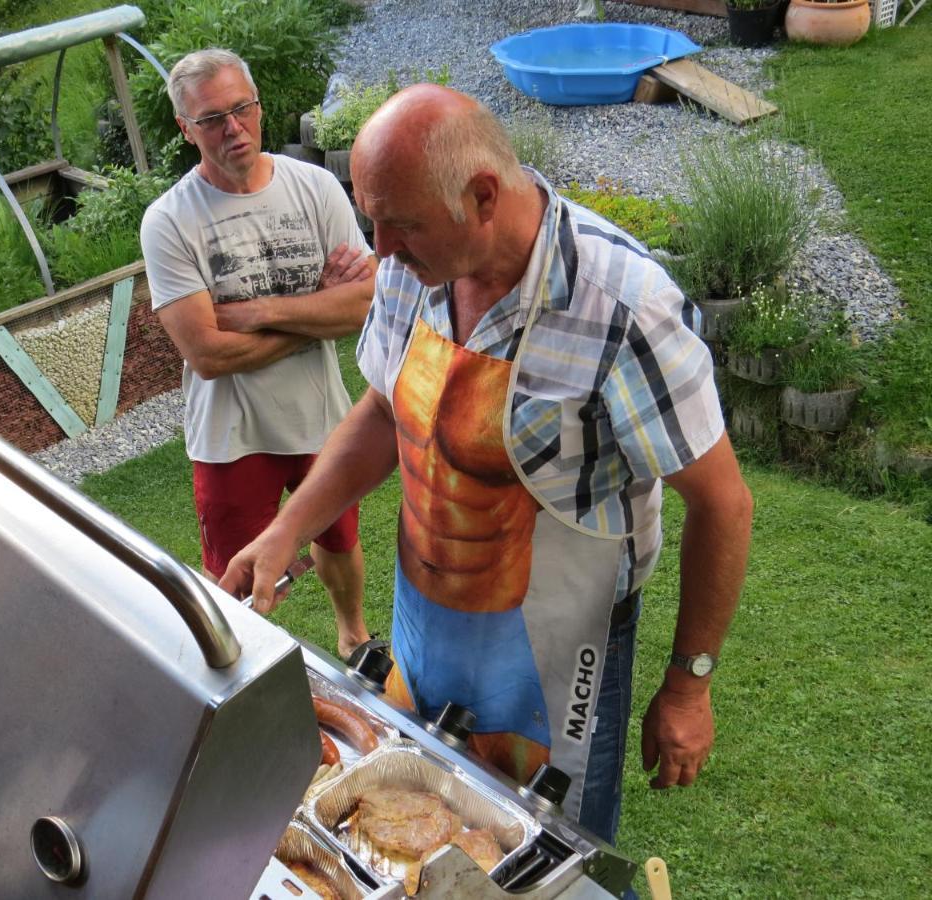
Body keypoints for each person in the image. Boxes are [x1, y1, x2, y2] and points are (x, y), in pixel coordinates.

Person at [220, 84, 753, 847]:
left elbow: (724, 503)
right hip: (426, 622)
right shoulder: (414, 266)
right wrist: (286, 529)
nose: (381, 251)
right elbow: (380, 411)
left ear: (481, 196)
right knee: (426, 835)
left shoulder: (621, 305)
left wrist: (689, 684)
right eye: (372, 218)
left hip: (559, 656)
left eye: (399, 224)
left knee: (548, 863)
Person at [140, 49, 375, 658]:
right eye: (212, 118)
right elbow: (208, 354)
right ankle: (253, 671)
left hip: (317, 413)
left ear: (259, 104)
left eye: (241, 109)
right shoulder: (169, 221)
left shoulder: (315, 187)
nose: (232, 128)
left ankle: (355, 636)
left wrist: (259, 312)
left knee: (340, 538)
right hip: (231, 433)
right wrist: (317, 311)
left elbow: (366, 305)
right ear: (185, 129)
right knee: (238, 579)